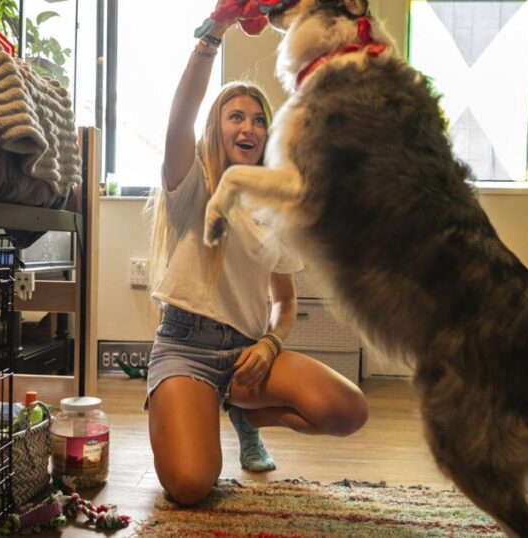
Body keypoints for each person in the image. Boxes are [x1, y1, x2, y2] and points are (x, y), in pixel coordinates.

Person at [143, 5, 370, 506]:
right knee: (190, 484)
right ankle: (194, 404)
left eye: (259, 121)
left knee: (348, 410)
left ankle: (240, 410)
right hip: (186, 348)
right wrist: (214, 32)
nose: (249, 127)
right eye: (236, 117)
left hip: (248, 355)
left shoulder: (273, 208)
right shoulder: (191, 184)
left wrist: (269, 344)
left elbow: (283, 303)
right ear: (216, 128)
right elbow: (180, 113)